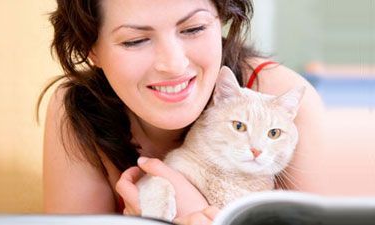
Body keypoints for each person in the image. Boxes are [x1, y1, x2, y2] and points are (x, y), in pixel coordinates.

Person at [41, 0, 325, 224]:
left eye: (193, 29)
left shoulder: (281, 99)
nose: (174, 65)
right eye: (135, 40)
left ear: (222, 19)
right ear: (92, 50)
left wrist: (199, 210)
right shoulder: (79, 108)